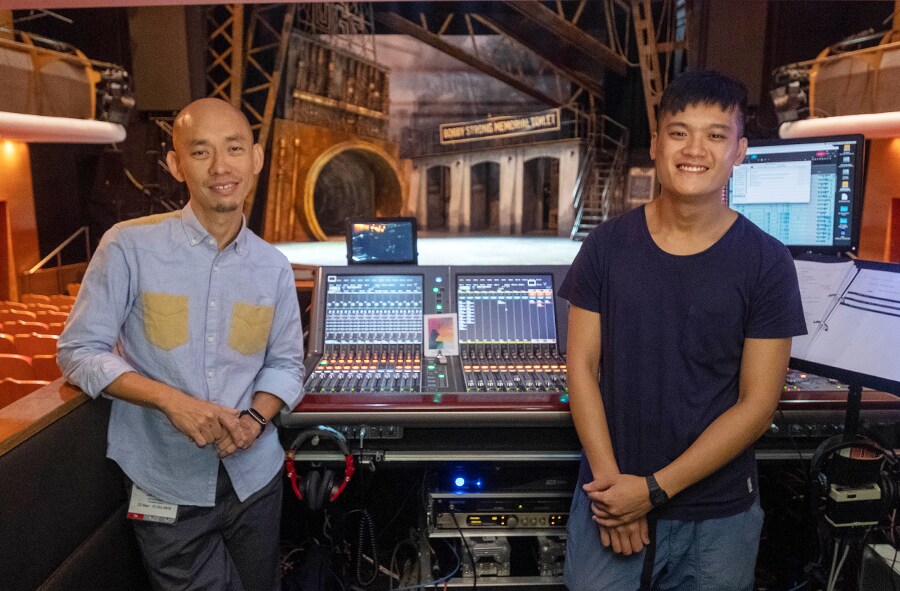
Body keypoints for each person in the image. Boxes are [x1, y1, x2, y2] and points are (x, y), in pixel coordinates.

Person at [559, 70, 806, 590]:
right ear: (655, 144)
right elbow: (580, 367)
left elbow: (758, 404)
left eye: (715, 135)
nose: (694, 149)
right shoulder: (605, 247)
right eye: (679, 132)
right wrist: (615, 492)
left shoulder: (767, 262)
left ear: (739, 151)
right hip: (609, 499)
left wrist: (650, 492)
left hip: (718, 517)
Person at [58, 98, 304, 591]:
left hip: (255, 479)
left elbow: (286, 365)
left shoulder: (273, 266)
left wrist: (254, 422)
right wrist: (173, 402)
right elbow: (78, 351)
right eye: (201, 152)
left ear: (256, 158)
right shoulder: (127, 246)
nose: (221, 167)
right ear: (175, 164)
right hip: (163, 480)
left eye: (234, 148)